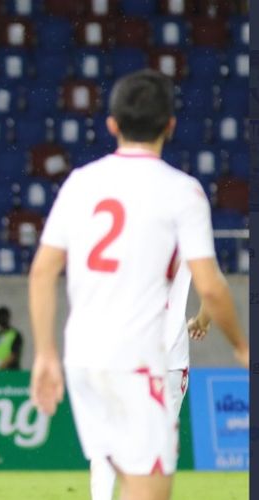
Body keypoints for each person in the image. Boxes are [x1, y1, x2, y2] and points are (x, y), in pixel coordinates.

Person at [28, 69, 249, 500]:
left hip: (85, 357)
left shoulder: (81, 183)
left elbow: (41, 271)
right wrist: (241, 346)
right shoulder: (181, 193)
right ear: (171, 124)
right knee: (148, 487)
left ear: (112, 124)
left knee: (107, 464)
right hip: (147, 356)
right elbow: (212, 285)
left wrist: (45, 354)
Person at [89, 259, 211, 499]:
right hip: (170, 360)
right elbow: (211, 287)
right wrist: (202, 322)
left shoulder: (122, 227)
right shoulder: (188, 230)